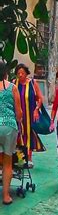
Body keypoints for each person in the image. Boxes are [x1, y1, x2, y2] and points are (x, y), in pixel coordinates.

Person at [0, 61, 22, 204]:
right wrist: (19, 125)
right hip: (9, 126)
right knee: (8, 162)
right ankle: (6, 196)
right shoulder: (12, 88)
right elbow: (19, 112)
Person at [14, 64, 45, 163]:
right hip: (18, 114)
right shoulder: (14, 83)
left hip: (30, 113)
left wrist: (36, 109)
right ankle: (20, 159)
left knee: (29, 134)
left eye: (22, 73)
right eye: (18, 73)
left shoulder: (32, 83)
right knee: (19, 134)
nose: (20, 75)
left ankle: (29, 157)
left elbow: (40, 98)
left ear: (26, 73)